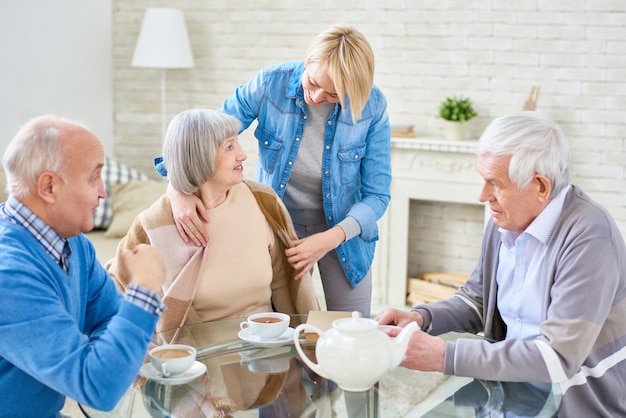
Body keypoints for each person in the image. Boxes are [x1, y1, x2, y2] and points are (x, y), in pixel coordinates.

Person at [376, 111, 626, 417]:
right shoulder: (506, 221)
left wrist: (444, 355)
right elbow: (477, 301)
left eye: (495, 183)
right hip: (509, 395)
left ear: (540, 186)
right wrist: (420, 317)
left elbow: (556, 357)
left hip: (572, 406)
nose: (483, 196)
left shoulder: (590, 238)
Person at [164, 24, 392, 317]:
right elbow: (204, 138)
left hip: (343, 234)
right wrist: (177, 187)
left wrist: (330, 238)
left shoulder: (372, 106)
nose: (316, 97)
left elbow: (377, 195)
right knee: (284, 329)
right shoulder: (270, 84)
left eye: (333, 95)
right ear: (308, 61)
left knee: (351, 329)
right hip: (279, 227)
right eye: (312, 83)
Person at [106, 108, 319, 416]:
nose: (243, 155)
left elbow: (283, 281)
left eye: (238, 143)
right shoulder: (156, 222)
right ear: (198, 157)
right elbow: (115, 288)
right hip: (199, 364)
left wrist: (307, 347)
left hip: (264, 353)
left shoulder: (262, 201)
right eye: (229, 147)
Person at [0, 115, 166, 418]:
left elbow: (111, 317)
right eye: (94, 178)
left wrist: (107, 359)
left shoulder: (73, 243)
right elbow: (100, 387)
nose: (103, 193)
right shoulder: (8, 275)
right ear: (49, 186)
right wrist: (144, 287)